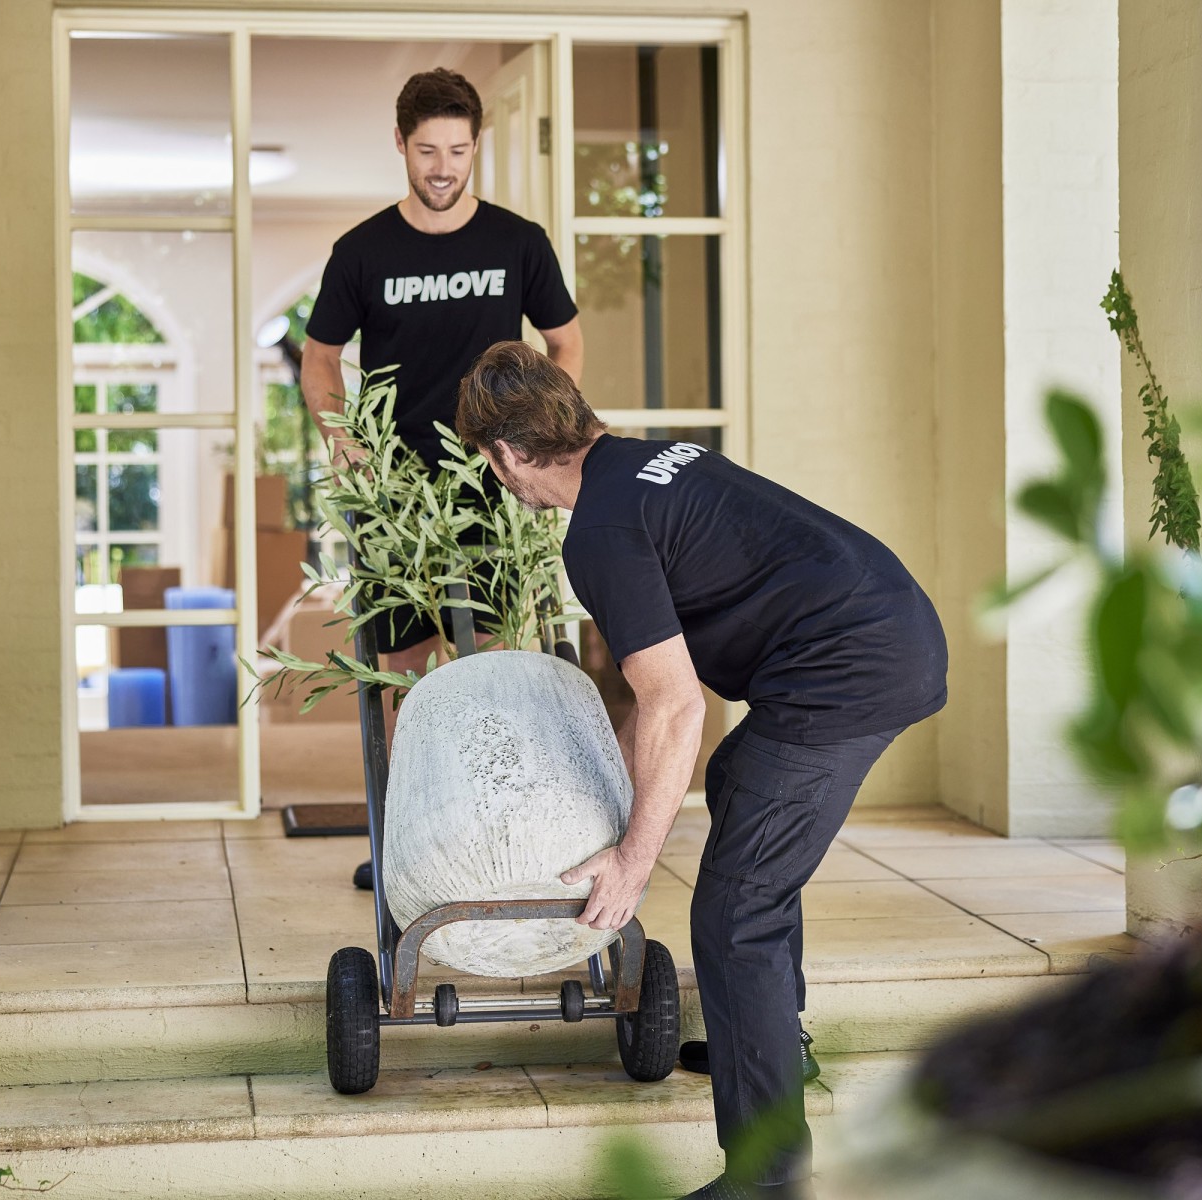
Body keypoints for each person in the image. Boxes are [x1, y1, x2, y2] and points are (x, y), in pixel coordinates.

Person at [455, 342, 949, 1200]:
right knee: (737, 779)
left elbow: (674, 703)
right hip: (887, 623)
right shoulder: (651, 461)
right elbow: (654, 697)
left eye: (490, 462)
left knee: (733, 912)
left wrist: (633, 861)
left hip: (845, 668)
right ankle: (765, 1039)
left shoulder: (600, 529)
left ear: (506, 453)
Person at [299, 68, 582, 886]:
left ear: (476, 145)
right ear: (401, 145)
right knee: (399, 667)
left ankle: (495, 835)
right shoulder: (362, 252)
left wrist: (546, 436)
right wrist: (342, 439)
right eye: (428, 150)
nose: (444, 166)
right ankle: (407, 843)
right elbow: (320, 359)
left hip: (496, 483)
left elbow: (564, 341)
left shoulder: (517, 241)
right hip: (395, 492)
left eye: (458, 149)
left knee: (493, 656)